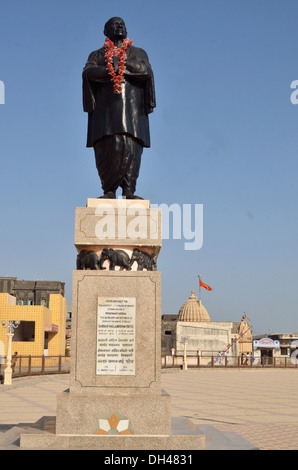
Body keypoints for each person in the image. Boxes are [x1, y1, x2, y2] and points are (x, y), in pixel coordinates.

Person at [82, 17, 156, 199]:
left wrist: (121, 64)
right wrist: (109, 69)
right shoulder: (98, 55)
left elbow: (145, 70)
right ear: (105, 31)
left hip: (132, 113)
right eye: (114, 24)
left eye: (122, 24)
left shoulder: (138, 52)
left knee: (131, 146)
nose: (120, 27)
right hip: (105, 114)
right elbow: (88, 72)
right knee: (107, 147)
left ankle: (129, 190)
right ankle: (109, 190)